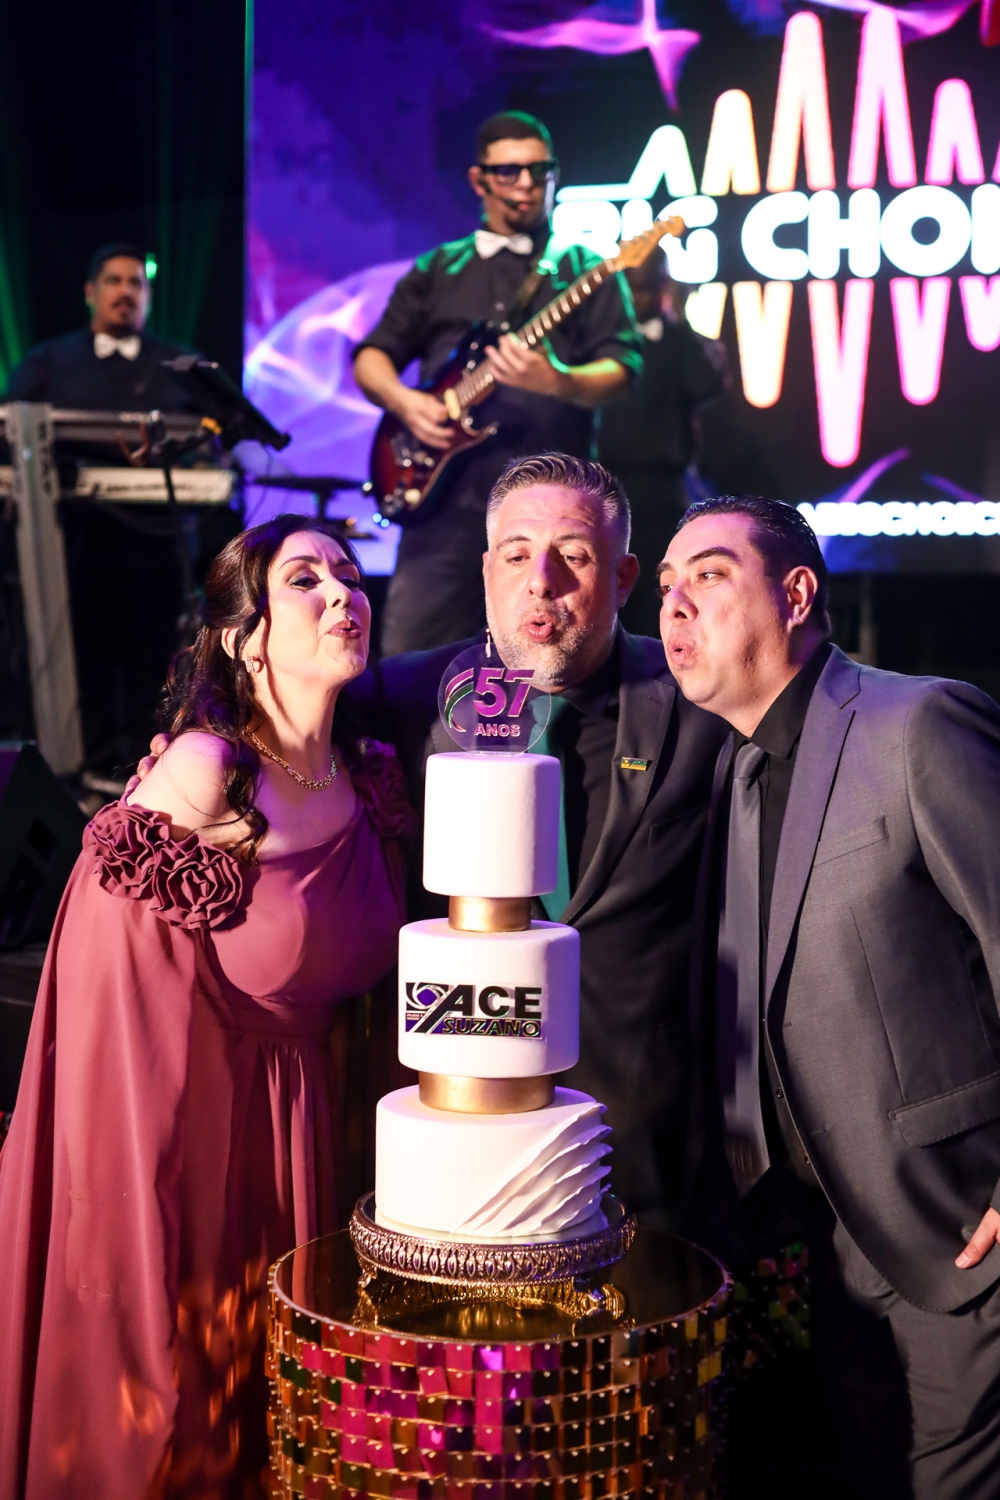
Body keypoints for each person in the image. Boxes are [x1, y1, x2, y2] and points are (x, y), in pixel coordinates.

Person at [135, 456, 729, 1227]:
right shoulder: (401, 698)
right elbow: (278, 729)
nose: (540, 581)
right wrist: (190, 759)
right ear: (485, 571)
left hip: (640, 1145)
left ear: (623, 576)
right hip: (447, 1146)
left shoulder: (698, 702)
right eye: (516, 555)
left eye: (574, 556)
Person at [0, 515, 411, 1499]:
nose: (342, 593)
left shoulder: (370, 777)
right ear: (242, 636)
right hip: (203, 1149)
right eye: (304, 579)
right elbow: (103, 1008)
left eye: (351, 575)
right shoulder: (203, 773)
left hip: (317, 1137)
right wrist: (140, 1214)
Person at [659, 494, 1000, 1498]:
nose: (675, 605)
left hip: (954, 1232)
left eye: (709, 575)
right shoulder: (730, 768)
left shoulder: (917, 723)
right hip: (812, 1250)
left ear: (798, 593)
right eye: (667, 586)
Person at [353, 111, 642, 656]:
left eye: (540, 170)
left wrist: (557, 380)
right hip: (442, 503)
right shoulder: (439, 268)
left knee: (553, 659)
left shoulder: (586, 267)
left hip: (549, 512)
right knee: (413, 660)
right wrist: (408, 405)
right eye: (510, 171)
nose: (527, 184)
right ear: (479, 180)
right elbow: (371, 357)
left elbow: (622, 373)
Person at [597, 256, 726, 638]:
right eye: (636, 288)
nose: (643, 298)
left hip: (659, 486)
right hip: (604, 484)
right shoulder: (600, 342)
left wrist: (679, 321)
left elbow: (708, 384)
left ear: (665, 288)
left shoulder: (679, 341)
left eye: (652, 288)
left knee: (658, 590)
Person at [5, 242, 196, 412]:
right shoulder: (48, 361)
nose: (126, 292)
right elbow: (7, 416)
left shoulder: (180, 361)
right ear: (90, 293)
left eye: (136, 283)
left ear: (149, 296)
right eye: (114, 281)